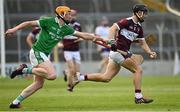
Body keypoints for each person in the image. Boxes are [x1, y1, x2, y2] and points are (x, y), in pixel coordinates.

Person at [5, 6, 106, 108]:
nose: (71, 16)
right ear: (62, 15)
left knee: (38, 84)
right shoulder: (48, 21)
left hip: (44, 54)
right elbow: (28, 23)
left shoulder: (66, 29)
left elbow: (83, 35)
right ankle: (23, 70)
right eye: (68, 14)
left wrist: (100, 39)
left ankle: (15, 102)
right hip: (37, 52)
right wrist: (14, 29)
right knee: (52, 75)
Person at [72, 4, 157, 104]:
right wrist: (112, 41)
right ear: (137, 13)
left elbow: (143, 43)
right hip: (117, 52)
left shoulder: (139, 28)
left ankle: (80, 77)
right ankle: (138, 97)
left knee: (106, 78)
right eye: (143, 13)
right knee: (138, 70)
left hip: (120, 53)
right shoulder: (126, 21)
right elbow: (112, 28)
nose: (145, 16)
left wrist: (150, 52)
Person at [57, 9, 83, 91]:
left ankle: (66, 72)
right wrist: (59, 44)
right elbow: (58, 38)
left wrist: (80, 39)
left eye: (74, 15)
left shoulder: (78, 25)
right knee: (72, 69)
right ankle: (69, 86)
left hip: (76, 51)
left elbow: (81, 36)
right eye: (71, 15)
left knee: (77, 75)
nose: (72, 17)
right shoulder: (63, 25)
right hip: (67, 50)